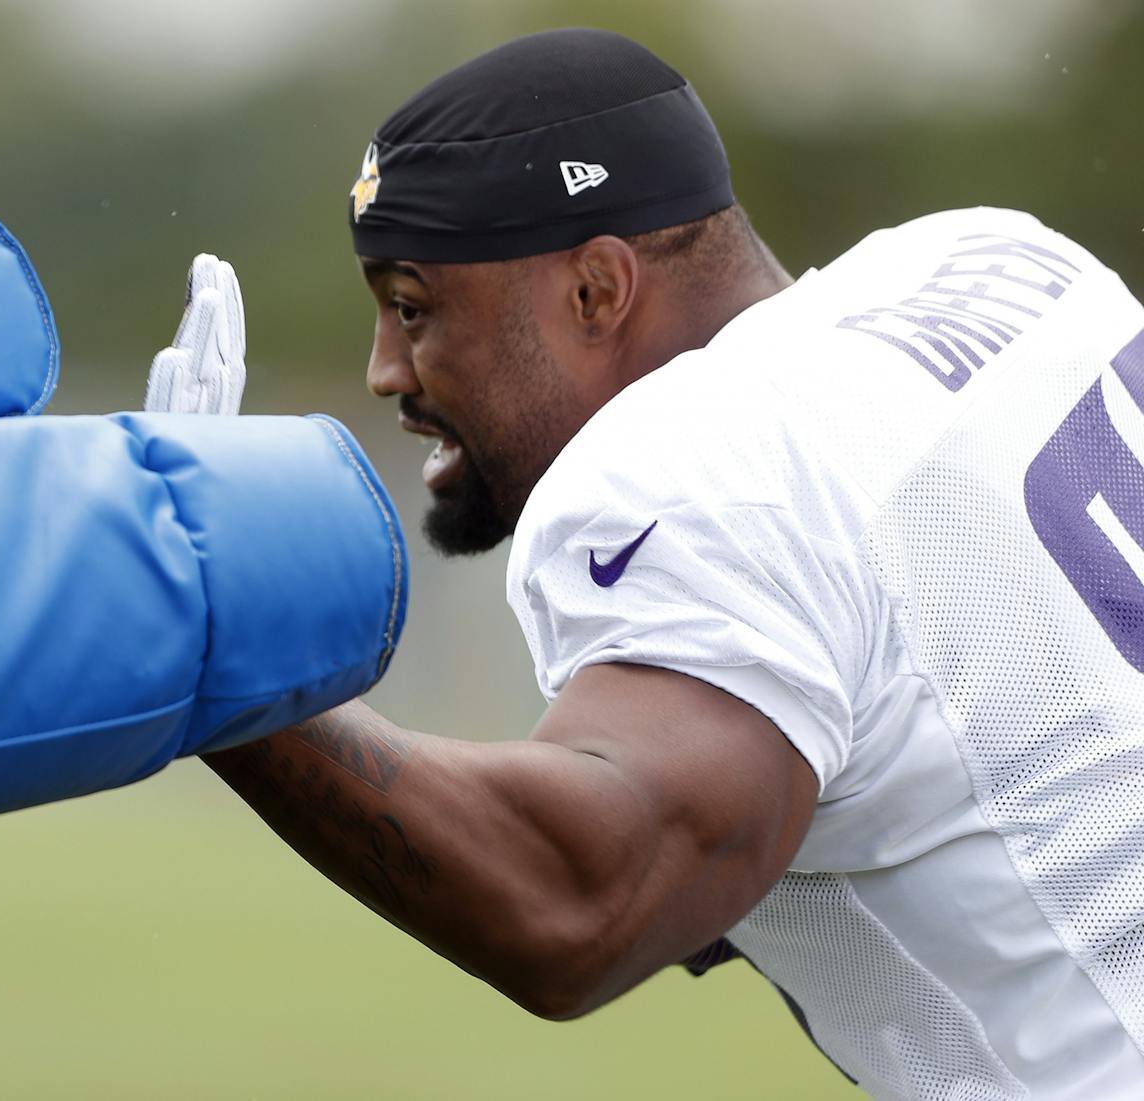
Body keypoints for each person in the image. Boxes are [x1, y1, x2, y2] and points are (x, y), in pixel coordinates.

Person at [199, 27, 1144, 1100]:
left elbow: (581, 896)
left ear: (598, 290)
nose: (384, 370)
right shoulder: (995, 259)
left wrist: (218, 657)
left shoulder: (693, 463)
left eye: (414, 308)